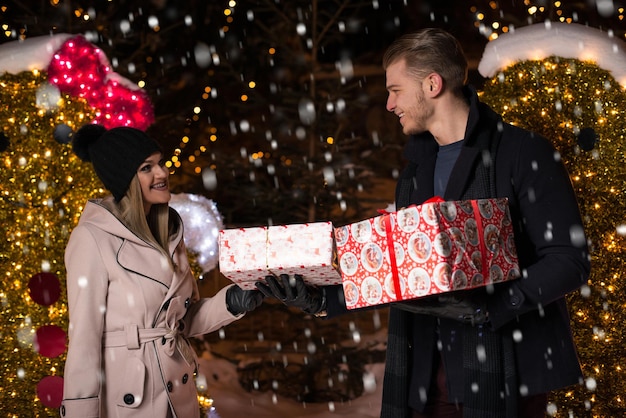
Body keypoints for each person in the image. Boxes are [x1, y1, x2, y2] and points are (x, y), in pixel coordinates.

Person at [256, 28, 590, 418]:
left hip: (503, 372)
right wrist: (323, 300)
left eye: (396, 90)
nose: (388, 103)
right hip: (421, 377)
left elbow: (568, 259)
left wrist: (497, 306)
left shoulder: (522, 152)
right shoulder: (415, 173)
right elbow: (404, 272)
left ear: (432, 84)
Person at [61, 124, 263, 418]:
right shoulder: (92, 238)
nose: (162, 173)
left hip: (179, 396)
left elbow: (182, 320)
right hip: (130, 402)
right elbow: (84, 341)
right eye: (147, 167)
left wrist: (232, 301)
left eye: (160, 162)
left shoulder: (169, 232)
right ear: (125, 178)